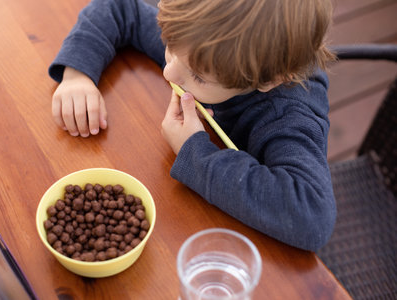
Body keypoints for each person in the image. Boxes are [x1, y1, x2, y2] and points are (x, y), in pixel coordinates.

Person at [49, 0, 337, 251]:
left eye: (198, 78)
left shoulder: (287, 115)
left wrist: (195, 151)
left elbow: (312, 216)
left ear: (267, 81)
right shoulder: (195, 42)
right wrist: (77, 74)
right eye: (168, 44)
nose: (169, 71)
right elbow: (119, 8)